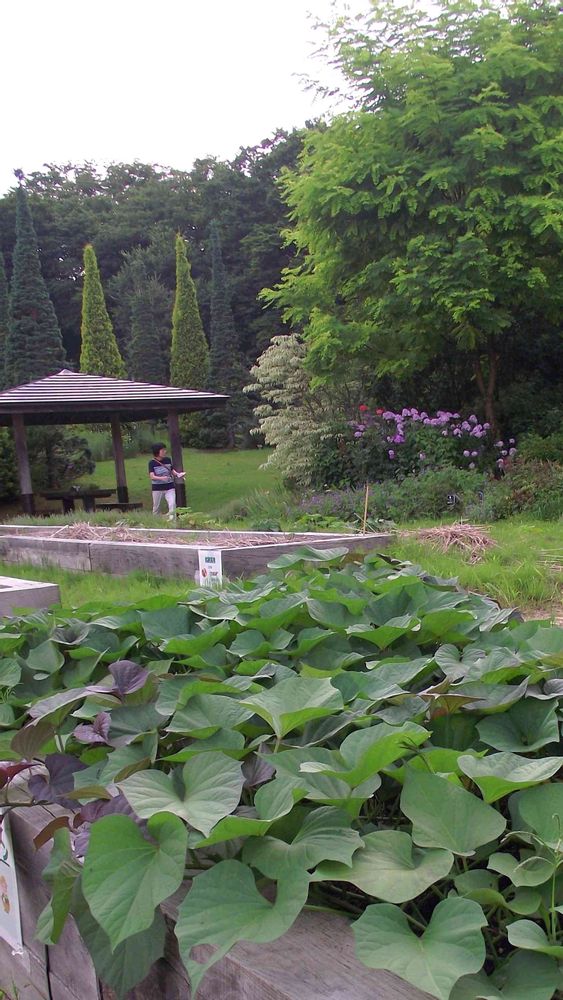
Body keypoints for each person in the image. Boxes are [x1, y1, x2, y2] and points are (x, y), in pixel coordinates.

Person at [148, 442, 185, 517]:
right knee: (156, 507)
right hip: (157, 488)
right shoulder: (152, 463)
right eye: (162, 450)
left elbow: (171, 470)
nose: (165, 452)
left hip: (169, 487)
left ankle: (172, 521)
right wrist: (162, 478)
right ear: (157, 452)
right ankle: (155, 521)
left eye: (165, 450)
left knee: (172, 504)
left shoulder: (168, 460)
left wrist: (178, 474)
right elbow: (152, 476)